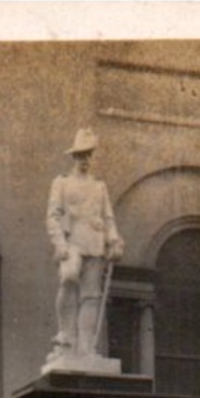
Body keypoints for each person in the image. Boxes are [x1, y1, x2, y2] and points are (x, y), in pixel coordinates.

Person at [46, 128, 125, 363]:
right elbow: (52, 215)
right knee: (69, 277)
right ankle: (66, 335)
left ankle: (85, 347)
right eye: (81, 155)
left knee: (91, 296)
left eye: (89, 154)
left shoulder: (99, 186)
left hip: (95, 242)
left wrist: (114, 240)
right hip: (72, 241)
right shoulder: (62, 183)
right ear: (74, 157)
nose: (85, 160)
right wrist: (59, 243)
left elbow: (108, 217)